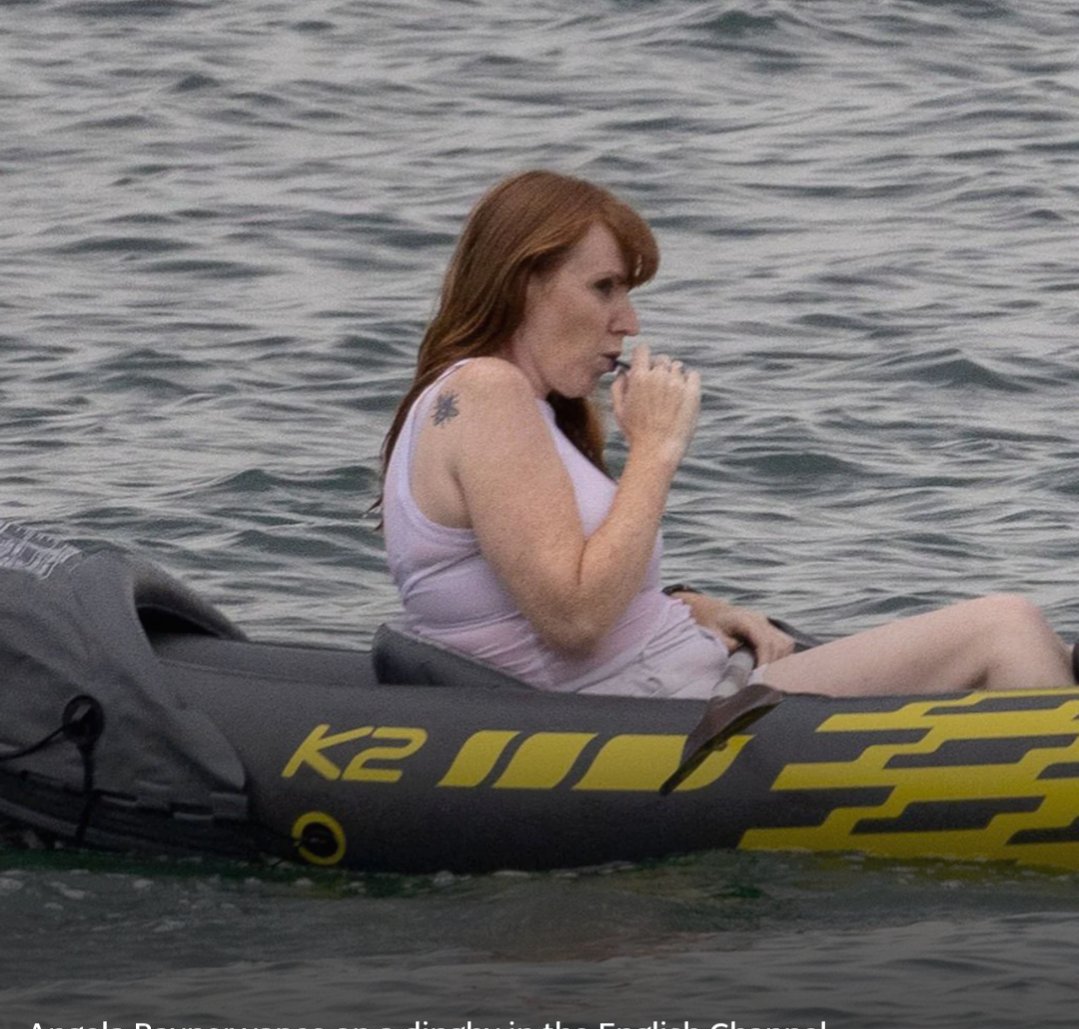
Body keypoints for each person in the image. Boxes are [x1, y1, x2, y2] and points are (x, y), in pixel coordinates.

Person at [380, 170, 1074, 698]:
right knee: (1004, 626)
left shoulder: (503, 406)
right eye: (604, 288)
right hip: (666, 723)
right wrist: (653, 451)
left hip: (690, 686)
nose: (628, 322)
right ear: (525, 282)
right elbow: (572, 618)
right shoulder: (484, 392)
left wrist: (694, 606)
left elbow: (529, 591)